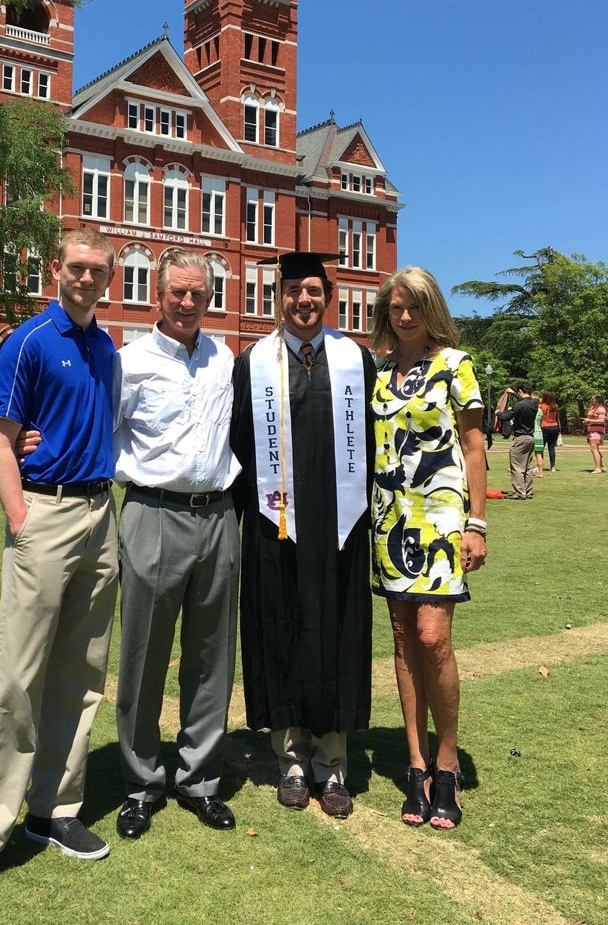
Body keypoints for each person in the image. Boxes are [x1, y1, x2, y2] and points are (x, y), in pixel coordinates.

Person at [0, 229, 119, 905]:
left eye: (97, 271)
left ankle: (53, 811)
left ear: (109, 279)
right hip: (45, 516)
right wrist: (21, 519)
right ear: (57, 269)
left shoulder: (107, 347)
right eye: (77, 268)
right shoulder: (28, 341)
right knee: (17, 675)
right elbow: (0, 436)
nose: (86, 279)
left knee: (80, 676)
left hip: (99, 516)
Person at [230, 252, 375, 820]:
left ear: (328, 298)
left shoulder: (355, 362)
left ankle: (332, 763)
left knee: (338, 632)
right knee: (281, 631)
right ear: (278, 298)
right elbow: (239, 446)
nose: (303, 300)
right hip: (276, 527)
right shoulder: (252, 365)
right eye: (293, 291)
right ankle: (291, 760)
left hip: (340, 528)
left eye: (313, 290)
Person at [112, 250, 242, 839]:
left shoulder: (225, 361)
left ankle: (200, 779)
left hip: (218, 517)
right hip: (153, 513)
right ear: (157, 295)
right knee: (142, 656)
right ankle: (141, 783)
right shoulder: (129, 362)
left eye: (197, 293)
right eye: (177, 293)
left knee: (212, 657)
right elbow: (103, 432)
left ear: (209, 297)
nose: (187, 303)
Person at [368, 267, 487, 830]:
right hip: (390, 516)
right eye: (396, 308)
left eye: (414, 307)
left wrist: (477, 523)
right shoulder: (380, 371)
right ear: (386, 314)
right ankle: (415, 765)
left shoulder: (454, 366)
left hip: (441, 515)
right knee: (401, 638)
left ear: (430, 308)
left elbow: (472, 444)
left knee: (433, 638)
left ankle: (448, 763)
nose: (405, 317)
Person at [499, 384, 540, 499]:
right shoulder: (534, 403)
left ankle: (519, 492)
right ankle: (528, 491)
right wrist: (513, 393)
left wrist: (498, 413)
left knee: (516, 466)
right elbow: (524, 401)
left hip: (520, 438)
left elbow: (506, 417)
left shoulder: (520, 405)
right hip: (531, 438)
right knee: (527, 466)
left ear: (521, 391)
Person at [583, 395, 608, 474]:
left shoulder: (601, 408)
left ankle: (598, 468)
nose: (591, 400)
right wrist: (587, 421)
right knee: (594, 449)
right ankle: (602, 466)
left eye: (593, 399)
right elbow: (593, 418)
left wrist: (589, 420)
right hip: (591, 429)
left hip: (597, 430)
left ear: (598, 400)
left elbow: (601, 420)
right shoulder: (593, 408)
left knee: (594, 449)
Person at [538, 391, 561, 472]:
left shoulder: (541, 406)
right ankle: (552, 466)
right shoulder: (555, 406)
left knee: (541, 447)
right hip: (554, 427)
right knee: (551, 448)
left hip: (544, 427)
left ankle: (540, 465)